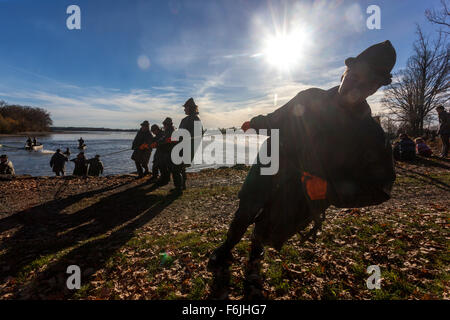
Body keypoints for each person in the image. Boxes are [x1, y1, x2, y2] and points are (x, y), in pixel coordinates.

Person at [207, 41, 397, 298]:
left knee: (267, 226)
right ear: (345, 72)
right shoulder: (310, 97)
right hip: (271, 162)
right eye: (353, 77)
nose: (354, 86)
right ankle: (226, 248)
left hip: (302, 192)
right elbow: (277, 119)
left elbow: (381, 187)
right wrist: (254, 123)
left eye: (365, 83)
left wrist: (330, 190)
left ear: (374, 89)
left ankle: (254, 260)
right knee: (246, 211)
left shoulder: (370, 135)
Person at [178, 98, 204, 190]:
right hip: (179, 146)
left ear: (191, 108)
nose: (184, 109)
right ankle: (181, 185)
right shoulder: (184, 119)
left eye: (186, 107)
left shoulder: (196, 119)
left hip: (189, 147)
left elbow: (199, 135)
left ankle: (181, 186)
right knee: (180, 167)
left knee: (180, 166)